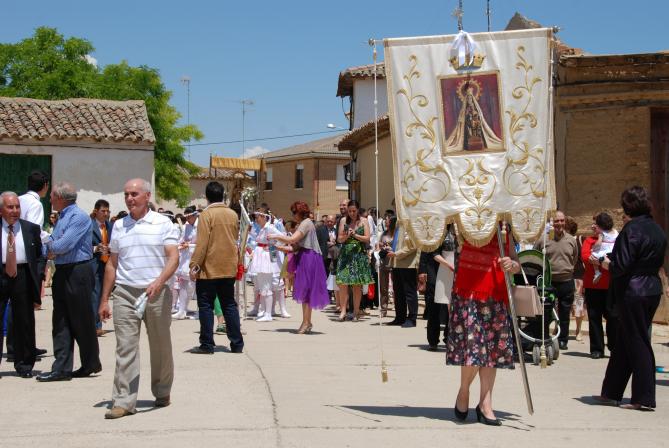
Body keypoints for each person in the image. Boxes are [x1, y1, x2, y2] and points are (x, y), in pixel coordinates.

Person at [98, 178, 179, 419]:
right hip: (125, 292)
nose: (129, 198)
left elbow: (173, 257)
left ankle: (162, 391)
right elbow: (112, 264)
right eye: (126, 194)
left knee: (160, 345)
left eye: (134, 194)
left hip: (156, 292)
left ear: (147, 196)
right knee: (125, 346)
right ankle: (123, 401)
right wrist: (104, 299)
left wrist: (159, 282)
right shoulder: (119, 226)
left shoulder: (163, 223)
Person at [596, 186, 667, 410]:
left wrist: (604, 263)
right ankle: (611, 392)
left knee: (637, 341)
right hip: (651, 288)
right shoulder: (657, 229)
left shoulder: (631, 229)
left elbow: (621, 266)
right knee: (626, 340)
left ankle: (643, 398)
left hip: (633, 291)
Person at [448, 223, 520, 426]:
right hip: (468, 294)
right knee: (472, 349)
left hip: (495, 296)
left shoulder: (504, 228)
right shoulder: (464, 223)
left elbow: (516, 262)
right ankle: (464, 390)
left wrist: (512, 264)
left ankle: (485, 403)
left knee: (492, 351)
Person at [37, 182, 100, 382]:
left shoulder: (78, 217)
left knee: (81, 319)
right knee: (61, 320)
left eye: (52, 195)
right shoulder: (62, 217)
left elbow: (62, 245)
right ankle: (61, 368)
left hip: (78, 271)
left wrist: (49, 243)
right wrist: (50, 245)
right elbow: (51, 247)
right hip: (63, 271)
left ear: (61, 198)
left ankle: (90, 363)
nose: (50, 198)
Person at [189, 181, 244, 354]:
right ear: (223, 195)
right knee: (229, 304)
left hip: (209, 268)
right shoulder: (232, 214)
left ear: (207, 196)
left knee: (206, 305)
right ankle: (237, 343)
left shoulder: (206, 215)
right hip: (228, 266)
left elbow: (202, 244)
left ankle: (207, 344)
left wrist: (194, 264)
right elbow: (236, 239)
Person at [0, 192, 45, 378]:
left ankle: (25, 364)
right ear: (1, 210)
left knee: (24, 321)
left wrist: (38, 276)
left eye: (17, 207)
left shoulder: (30, 228)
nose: (15, 211)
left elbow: (40, 255)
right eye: (10, 207)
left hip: (23, 275)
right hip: (1, 274)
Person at [270, 201, 329, 334]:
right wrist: (278, 247)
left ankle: (306, 322)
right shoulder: (304, 223)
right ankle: (306, 321)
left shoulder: (306, 223)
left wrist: (276, 235)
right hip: (305, 257)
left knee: (307, 291)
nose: (293, 215)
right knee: (305, 292)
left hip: (309, 258)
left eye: (294, 212)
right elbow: (294, 247)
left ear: (300, 212)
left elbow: (292, 240)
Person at [534, 211, 577, 350]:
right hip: (549, 282)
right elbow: (535, 257)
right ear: (551, 223)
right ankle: (545, 338)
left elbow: (575, 258)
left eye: (562, 220)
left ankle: (562, 340)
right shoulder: (543, 240)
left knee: (564, 314)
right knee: (545, 313)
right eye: (556, 221)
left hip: (566, 281)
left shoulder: (571, 240)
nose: (559, 223)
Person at [582, 213, 618, 359]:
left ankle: (614, 345)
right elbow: (585, 255)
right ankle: (597, 349)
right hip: (593, 286)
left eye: (596, 224)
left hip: (611, 286)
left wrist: (601, 260)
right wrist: (594, 259)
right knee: (594, 317)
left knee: (613, 317)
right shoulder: (589, 240)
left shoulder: (614, 239)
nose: (593, 226)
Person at [419, 224, 456, 351]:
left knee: (452, 307)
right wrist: (422, 270)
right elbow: (426, 249)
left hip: (454, 271)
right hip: (435, 270)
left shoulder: (461, 226)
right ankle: (433, 340)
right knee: (433, 305)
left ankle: (449, 337)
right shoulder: (436, 225)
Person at [335, 200, 373, 321]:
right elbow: (339, 239)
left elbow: (367, 238)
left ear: (358, 210)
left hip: (358, 255)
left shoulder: (364, 221)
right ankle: (343, 311)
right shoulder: (343, 220)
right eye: (350, 211)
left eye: (354, 211)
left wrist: (355, 235)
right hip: (345, 255)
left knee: (357, 285)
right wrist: (347, 235)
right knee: (342, 283)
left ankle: (356, 312)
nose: (351, 213)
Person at [246, 208, 286, 322]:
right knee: (262, 286)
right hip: (260, 257)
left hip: (266, 258)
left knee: (267, 286)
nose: (256, 219)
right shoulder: (262, 228)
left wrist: (274, 246)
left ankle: (269, 313)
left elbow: (283, 237)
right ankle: (264, 311)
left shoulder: (270, 227)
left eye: (258, 217)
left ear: (264, 217)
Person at [386, 221, 420, 328]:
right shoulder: (398, 224)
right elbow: (398, 242)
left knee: (410, 292)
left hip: (408, 264)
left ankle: (412, 319)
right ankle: (400, 317)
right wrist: (389, 247)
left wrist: (396, 253)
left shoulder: (412, 223)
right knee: (398, 292)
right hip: (396, 263)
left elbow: (413, 245)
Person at [90, 199, 112, 336]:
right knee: (95, 294)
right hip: (94, 264)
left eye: (107, 211)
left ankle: (97, 322)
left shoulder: (110, 226)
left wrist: (110, 248)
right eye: (103, 211)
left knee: (104, 294)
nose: (106, 214)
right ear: (96, 211)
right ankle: (95, 325)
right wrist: (95, 248)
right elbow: (82, 244)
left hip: (108, 264)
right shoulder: (89, 225)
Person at [173, 206, 198, 320]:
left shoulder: (201, 225)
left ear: (194, 215)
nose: (187, 219)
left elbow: (203, 243)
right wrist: (181, 244)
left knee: (196, 286)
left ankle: (200, 311)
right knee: (183, 284)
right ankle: (182, 310)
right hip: (185, 258)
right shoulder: (185, 226)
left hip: (196, 258)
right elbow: (181, 239)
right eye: (186, 217)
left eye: (189, 217)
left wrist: (190, 245)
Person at [565, 216, 586, 343]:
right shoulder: (559, 240)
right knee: (562, 305)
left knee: (578, 304)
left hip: (577, 276)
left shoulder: (579, 239)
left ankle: (578, 330)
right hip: (564, 276)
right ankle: (559, 329)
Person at [377, 215, 396, 317]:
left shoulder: (397, 233)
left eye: (387, 221)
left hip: (394, 263)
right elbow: (378, 245)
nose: (385, 222)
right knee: (383, 288)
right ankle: (383, 310)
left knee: (396, 288)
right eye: (385, 221)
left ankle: (399, 309)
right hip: (384, 262)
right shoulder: (383, 233)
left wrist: (391, 248)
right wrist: (381, 245)